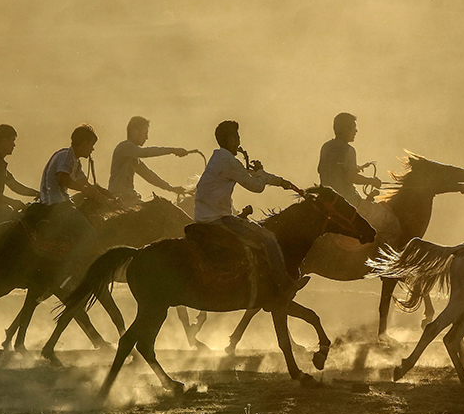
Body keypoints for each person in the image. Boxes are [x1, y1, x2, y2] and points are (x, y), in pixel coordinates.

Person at [194, 120, 296, 297]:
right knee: (269, 239)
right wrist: (262, 173)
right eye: (237, 137)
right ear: (231, 139)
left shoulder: (218, 158)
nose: (239, 141)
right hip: (219, 219)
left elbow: (254, 176)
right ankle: (284, 285)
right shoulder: (229, 161)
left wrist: (281, 182)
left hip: (204, 216)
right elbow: (257, 186)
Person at [108, 116, 189, 202]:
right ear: (135, 132)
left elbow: (149, 175)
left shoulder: (133, 157)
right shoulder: (124, 147)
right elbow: (145, 152)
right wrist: (172, 150)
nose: (146, 138)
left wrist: (171, 188)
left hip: (128, 197)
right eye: (145, 133)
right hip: (120, 197)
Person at [0, 124, 39, 225]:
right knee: (29, 221)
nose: (14, 145)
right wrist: (12, 202)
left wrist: (38, 194)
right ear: (4, 141)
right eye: (12, 140)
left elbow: (15, 186)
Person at [40, 125, 113, 207]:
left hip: (62, 201)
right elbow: (62, 178)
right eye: (91, 145)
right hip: (54, 201)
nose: (92, 149)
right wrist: (82, 189)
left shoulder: (76, 162)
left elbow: (85, 184)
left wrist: (107, 201)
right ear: (84, 144)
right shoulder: (66, 155)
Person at [317, 113, 383, 203]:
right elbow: (352, 177)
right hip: (347, 201)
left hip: (326, 199)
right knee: (382, 212)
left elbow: (330, 169)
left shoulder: (326, 146)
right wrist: (372, 181)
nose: (356, 131)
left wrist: (356, 167)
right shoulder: (348, 150)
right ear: (345, 129)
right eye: (354, 128)